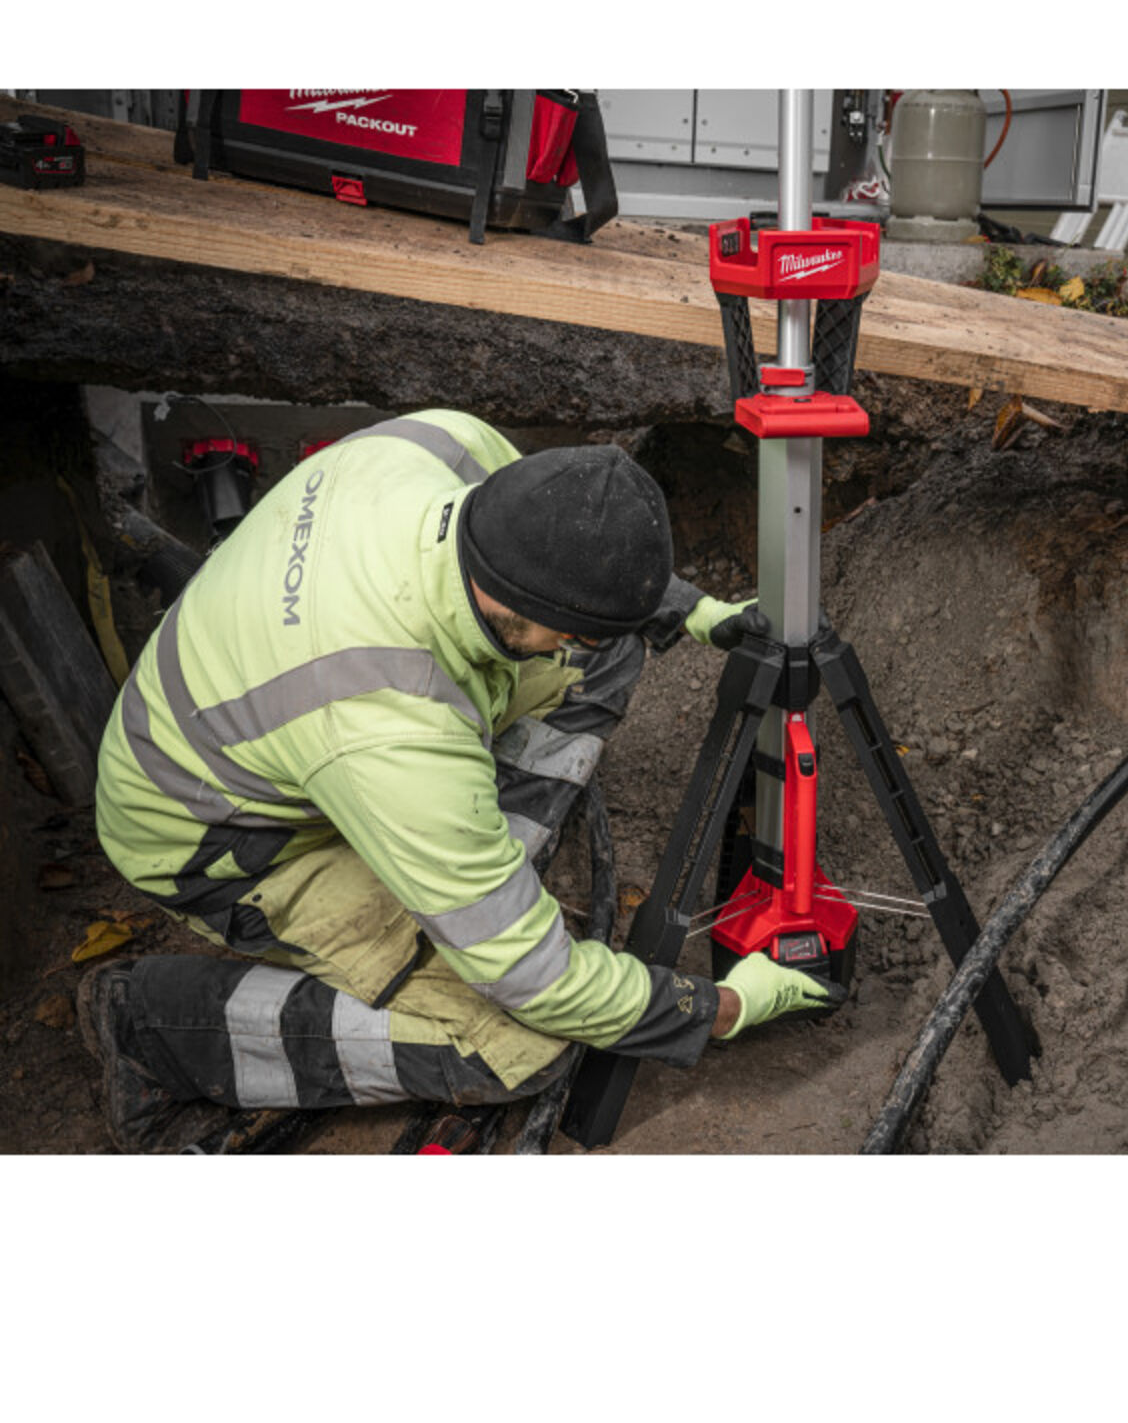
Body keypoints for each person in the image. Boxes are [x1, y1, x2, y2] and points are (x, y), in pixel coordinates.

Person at [81, 409, 843, 1153]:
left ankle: (473, 885)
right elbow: (539, 984)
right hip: (220, 839)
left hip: (264, 723)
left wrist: (693, 610)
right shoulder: (392, 726)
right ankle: (151, 1024)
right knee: (518, 1046)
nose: (577, 641)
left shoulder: (445, 442)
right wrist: (721, 1007)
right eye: (570, 626)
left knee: (606, 651)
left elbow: (568, 542)